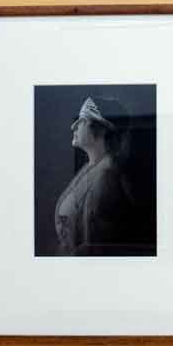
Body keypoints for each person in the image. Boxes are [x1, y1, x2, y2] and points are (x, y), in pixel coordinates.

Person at [54, 96, 136, 256]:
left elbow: (94, 249)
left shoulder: (107, 178)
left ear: (101, 129)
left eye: (82, 120)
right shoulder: (91, 167)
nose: (74, 126)